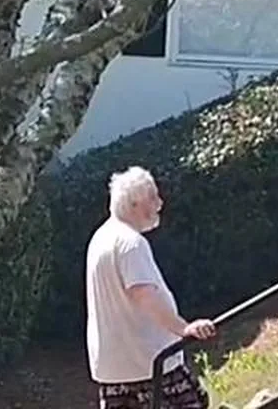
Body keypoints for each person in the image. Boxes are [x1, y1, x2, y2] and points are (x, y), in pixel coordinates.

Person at [86, 166, 217, 409]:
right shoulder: (130, 243)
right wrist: (184, 328)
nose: (160, 204)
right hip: (150, 366)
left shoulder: (100, 239)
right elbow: (143, 294)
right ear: (134, 204)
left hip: (112, 372)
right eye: (153, 197)